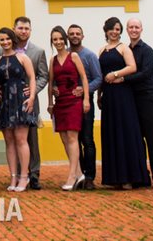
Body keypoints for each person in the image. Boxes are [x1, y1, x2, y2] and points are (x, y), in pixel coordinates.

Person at [0, 16, 48, 190]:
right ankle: (15, 176)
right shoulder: (0, 51)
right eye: (20, 28)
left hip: (25, 100)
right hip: (7, 101)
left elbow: (42, 76)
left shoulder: (37, 52)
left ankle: (32, 175)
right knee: (11, 140)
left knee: (29, 140)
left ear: (30, 30)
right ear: (14, 30)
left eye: (26, 28)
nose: (23, 31)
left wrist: (31, 93)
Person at [98, 17, 150, 189]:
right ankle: (115, 178)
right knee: (112, 133)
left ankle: (129, 177)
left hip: (122, 94)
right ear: (106, 30)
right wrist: (99, 95)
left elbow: (132, 67)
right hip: (108, 96)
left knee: (124, 132)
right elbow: (101, 74)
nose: (114, 32)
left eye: (117, 29)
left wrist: (116, 74)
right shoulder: (102, 50)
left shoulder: (124, 48)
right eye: (111, 29)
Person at [115, 18, 153, 189]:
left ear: (141, 30)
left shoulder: (147, 50)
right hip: (131, 99)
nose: (134, 30)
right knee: (136, 139)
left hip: (147, 98)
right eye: (131, 27)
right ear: (127, 30)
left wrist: (122, 78)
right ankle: (142, 175)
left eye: (136, 27)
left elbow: (145, 73)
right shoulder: (125, 50)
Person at [47, 26, 90, 191]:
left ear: (65, 40)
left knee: (73, 138)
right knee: (64, 139)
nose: (58, 42)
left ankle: (72, 176)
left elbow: (84, 77)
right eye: (55, 39)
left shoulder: (74, 56)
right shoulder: (52, 60)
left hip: (74, 101)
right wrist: (50, 102)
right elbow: (51, 82)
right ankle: (79, 173)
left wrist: (86, 99)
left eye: (60, 39)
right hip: (60, 102)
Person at [66, 24, 103, 190]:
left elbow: (98, 78)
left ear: (82, 36)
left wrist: (85, 91)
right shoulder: (64, 55)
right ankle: (77, 174)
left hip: (84, 102)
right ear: (67, 37)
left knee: (87, 139)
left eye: (77, 34)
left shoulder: (89, 56)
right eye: (72, 34)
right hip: (68, 102)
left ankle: (89, 177)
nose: (75, 36)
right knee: (73, 140)